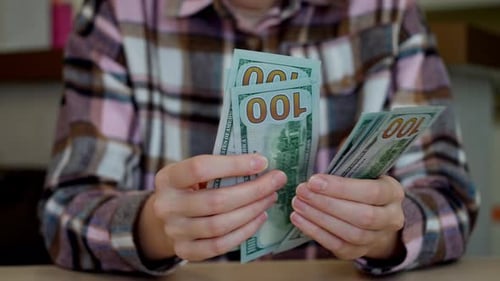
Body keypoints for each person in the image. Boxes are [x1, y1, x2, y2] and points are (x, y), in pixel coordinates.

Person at [40, 0, 479, 276]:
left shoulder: (391, 12)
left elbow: (453, 201)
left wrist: (385, 234)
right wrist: (152, 226)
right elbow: (65, 212)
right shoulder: (115, 14)